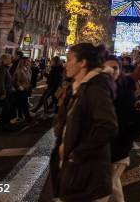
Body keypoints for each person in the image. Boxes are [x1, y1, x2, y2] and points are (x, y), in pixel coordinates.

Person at [47, 43, 118, 202]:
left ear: (83, 63)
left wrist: (77, 154)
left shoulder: (96, 87)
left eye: (70, 60)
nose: (66, 64)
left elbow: (107, 126)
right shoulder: (79, 87)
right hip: (75, 175)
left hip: (86, 179)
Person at [106, 56, 140, 202]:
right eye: (107, 68)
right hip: (102, 149)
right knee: (114, 188)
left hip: (117, 150)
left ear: (120, 71)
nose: (111, 71)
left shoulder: (125, 91)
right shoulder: (100, 88)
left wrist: (125, 141)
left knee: (102, 191)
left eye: (115, 68)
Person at [13, 57, 32, 123]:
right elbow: (16, 81)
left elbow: (29, 80)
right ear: (23, 62)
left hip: (26, 89)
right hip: (21, 90)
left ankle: (21, 117)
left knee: (21, 104)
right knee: (24, 104)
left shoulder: (28, 69)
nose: (29, 62)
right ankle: (27, 118)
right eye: (28, 61)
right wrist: (20, 87)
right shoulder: (19, 70)